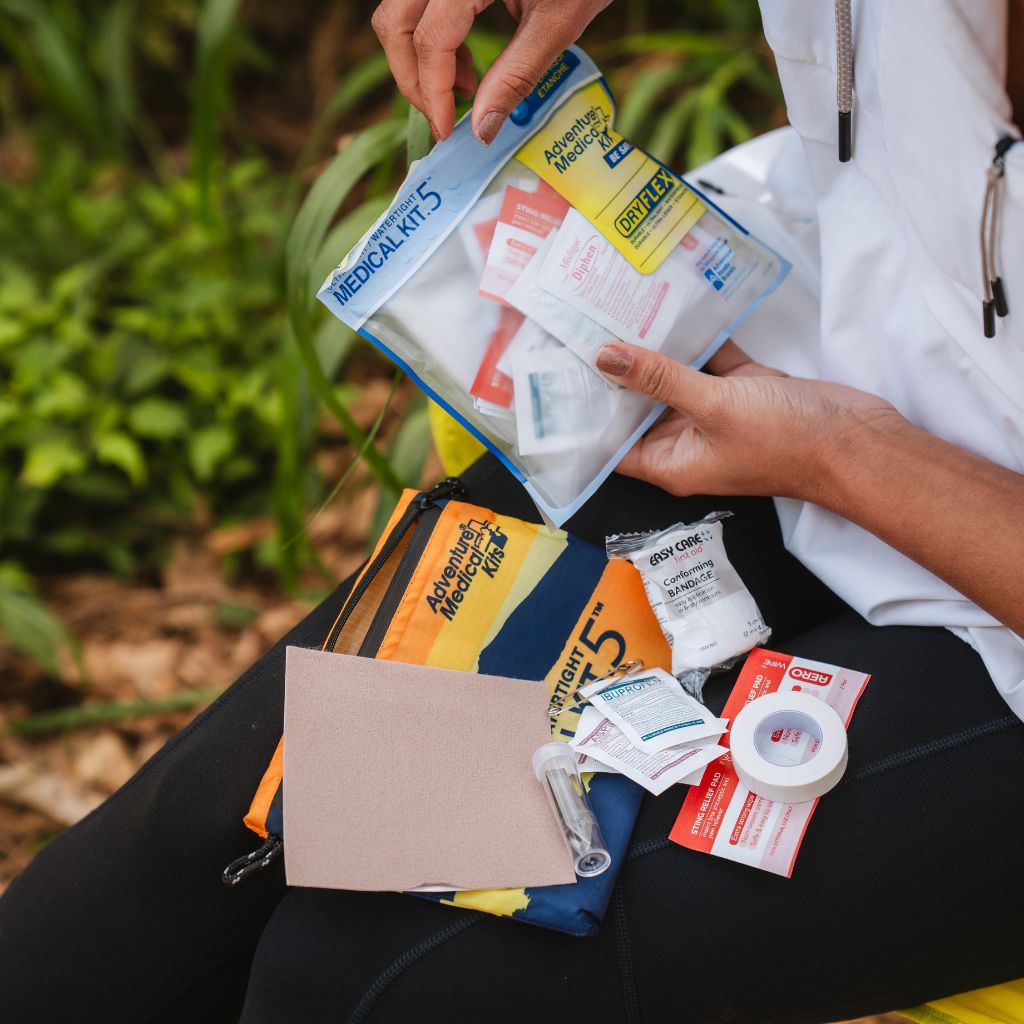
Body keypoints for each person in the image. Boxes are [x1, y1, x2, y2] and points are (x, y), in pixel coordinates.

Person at [1, 3, 1022, 1022]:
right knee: (213, 835)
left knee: (387, 980)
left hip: (965, 579)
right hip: (830, 339)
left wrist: (843, 455)